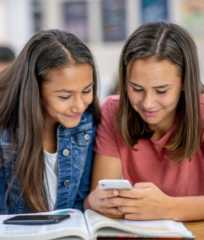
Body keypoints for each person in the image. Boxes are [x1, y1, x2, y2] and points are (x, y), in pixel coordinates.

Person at [0, 29, 101, 218]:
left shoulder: (86, 123)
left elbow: (79, 205)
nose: (79, 106)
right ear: (34, 90)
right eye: (64, 96)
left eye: (87, 90)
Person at [84, 21, 204, 221]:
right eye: (137, 89)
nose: (148, 103)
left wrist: (168, 208)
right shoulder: (113, 110)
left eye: (161, 91)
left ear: (184, 83)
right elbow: (97, 197)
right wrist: (96, 202)